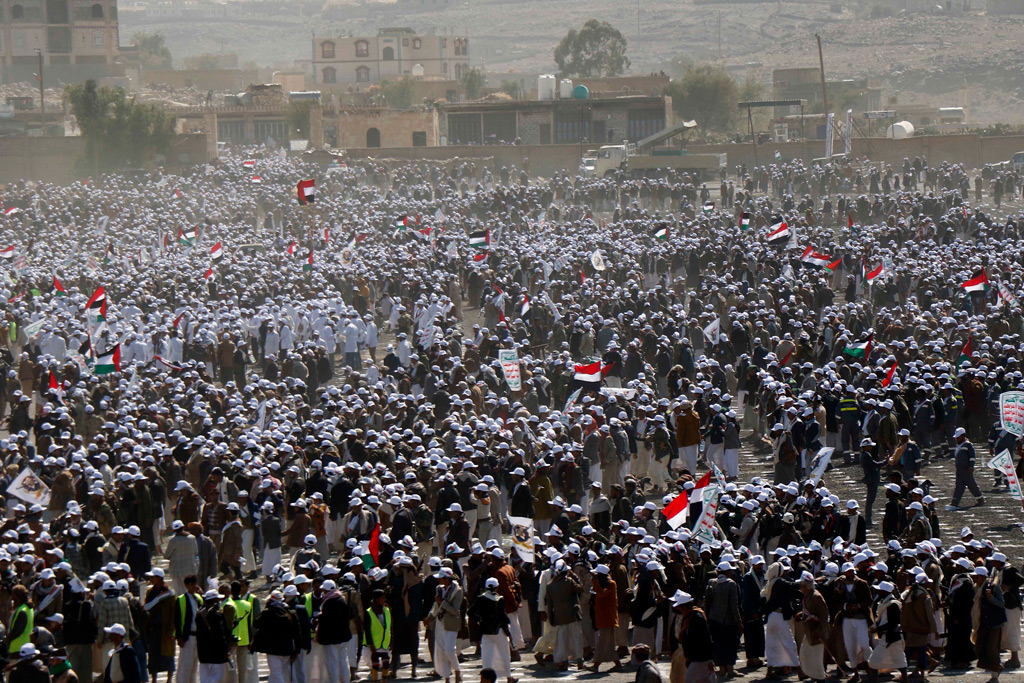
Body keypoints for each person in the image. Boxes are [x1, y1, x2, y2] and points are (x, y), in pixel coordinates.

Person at [468, 577, 516, 683]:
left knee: (486, 657)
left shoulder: (480, 598)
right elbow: (502, 616)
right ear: (497, 587)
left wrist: (480, 620)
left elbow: (470, 612)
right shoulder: (500, 599)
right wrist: (508, 626)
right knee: (504, 654)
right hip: (499, 631)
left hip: (485, 631)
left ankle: (486, 679)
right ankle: (509, 677)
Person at [867, 581, 906, 683]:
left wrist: (877, 629)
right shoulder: (886, 603)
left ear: (884, 591)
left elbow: (893, 623)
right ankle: (904, 678)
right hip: (888, 637)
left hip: (892, 637)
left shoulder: (892, 605)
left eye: (880, 590)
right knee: (899, 660)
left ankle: (873, 679)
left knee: (874, 660)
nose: (878, 592)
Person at [429, 568, 463, 683]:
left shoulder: (457, 591)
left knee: (449, 650)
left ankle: (457, 671)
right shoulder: (439, 589)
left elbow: (454, 610)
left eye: (440, 577)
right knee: (441, 651)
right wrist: (430, 616)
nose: (438, 579)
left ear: (446, 578)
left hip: (451, 623)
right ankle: (447, 677)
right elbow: (436, 605)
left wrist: (442, 602)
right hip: (440, 622)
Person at [796, 571, 829, 683]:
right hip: (810, 632)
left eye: (801, 585)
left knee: (816, 659)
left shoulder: (816, 597)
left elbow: (824, 616)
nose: (800, 587)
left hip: (817, 634)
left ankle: (820, 678)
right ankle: (813, 675)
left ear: (806, 586)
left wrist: (819, 631)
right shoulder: (807, 596)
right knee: (805, 654)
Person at [195, 590, 233, 683]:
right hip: (215, 652)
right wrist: (225, 649)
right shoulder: (215, 613)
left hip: (203, 651)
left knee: (204, 678)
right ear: (215, 599)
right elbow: (220, 633)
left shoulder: (199, 613)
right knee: (217, 676)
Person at [949, 428, 985, 510]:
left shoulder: (968, 445)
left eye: (958, 437)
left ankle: (980, 499)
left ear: (963, 436)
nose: (956, 439)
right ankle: (955, 501)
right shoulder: (959, 446)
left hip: (966, 469)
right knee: (959, 486)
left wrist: (971, 466)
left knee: (971, 485)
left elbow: (972, 457)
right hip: (959, 469)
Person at [364, 589, 392, 683]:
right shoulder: (369, 612)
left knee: (386, 663)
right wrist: (371, 644)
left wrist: (391, 640)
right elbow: (367, 630)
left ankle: (384, 681)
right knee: (375, 663)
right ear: (376, 599)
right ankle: (375, 680)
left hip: (384, 642)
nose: (384, 599)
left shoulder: (387, 610)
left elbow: (389, 626)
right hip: (374, 643)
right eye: (382, 598)